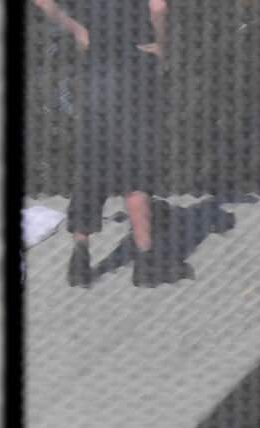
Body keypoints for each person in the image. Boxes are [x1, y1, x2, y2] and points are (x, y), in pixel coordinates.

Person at [32, 0, 176, 288]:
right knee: (135, 161)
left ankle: (79, 259)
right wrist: (162, 47)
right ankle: (146, 263)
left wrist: (76, 29)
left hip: (94, 68)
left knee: (93, 159)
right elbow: (158, 8)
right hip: (135, 63)